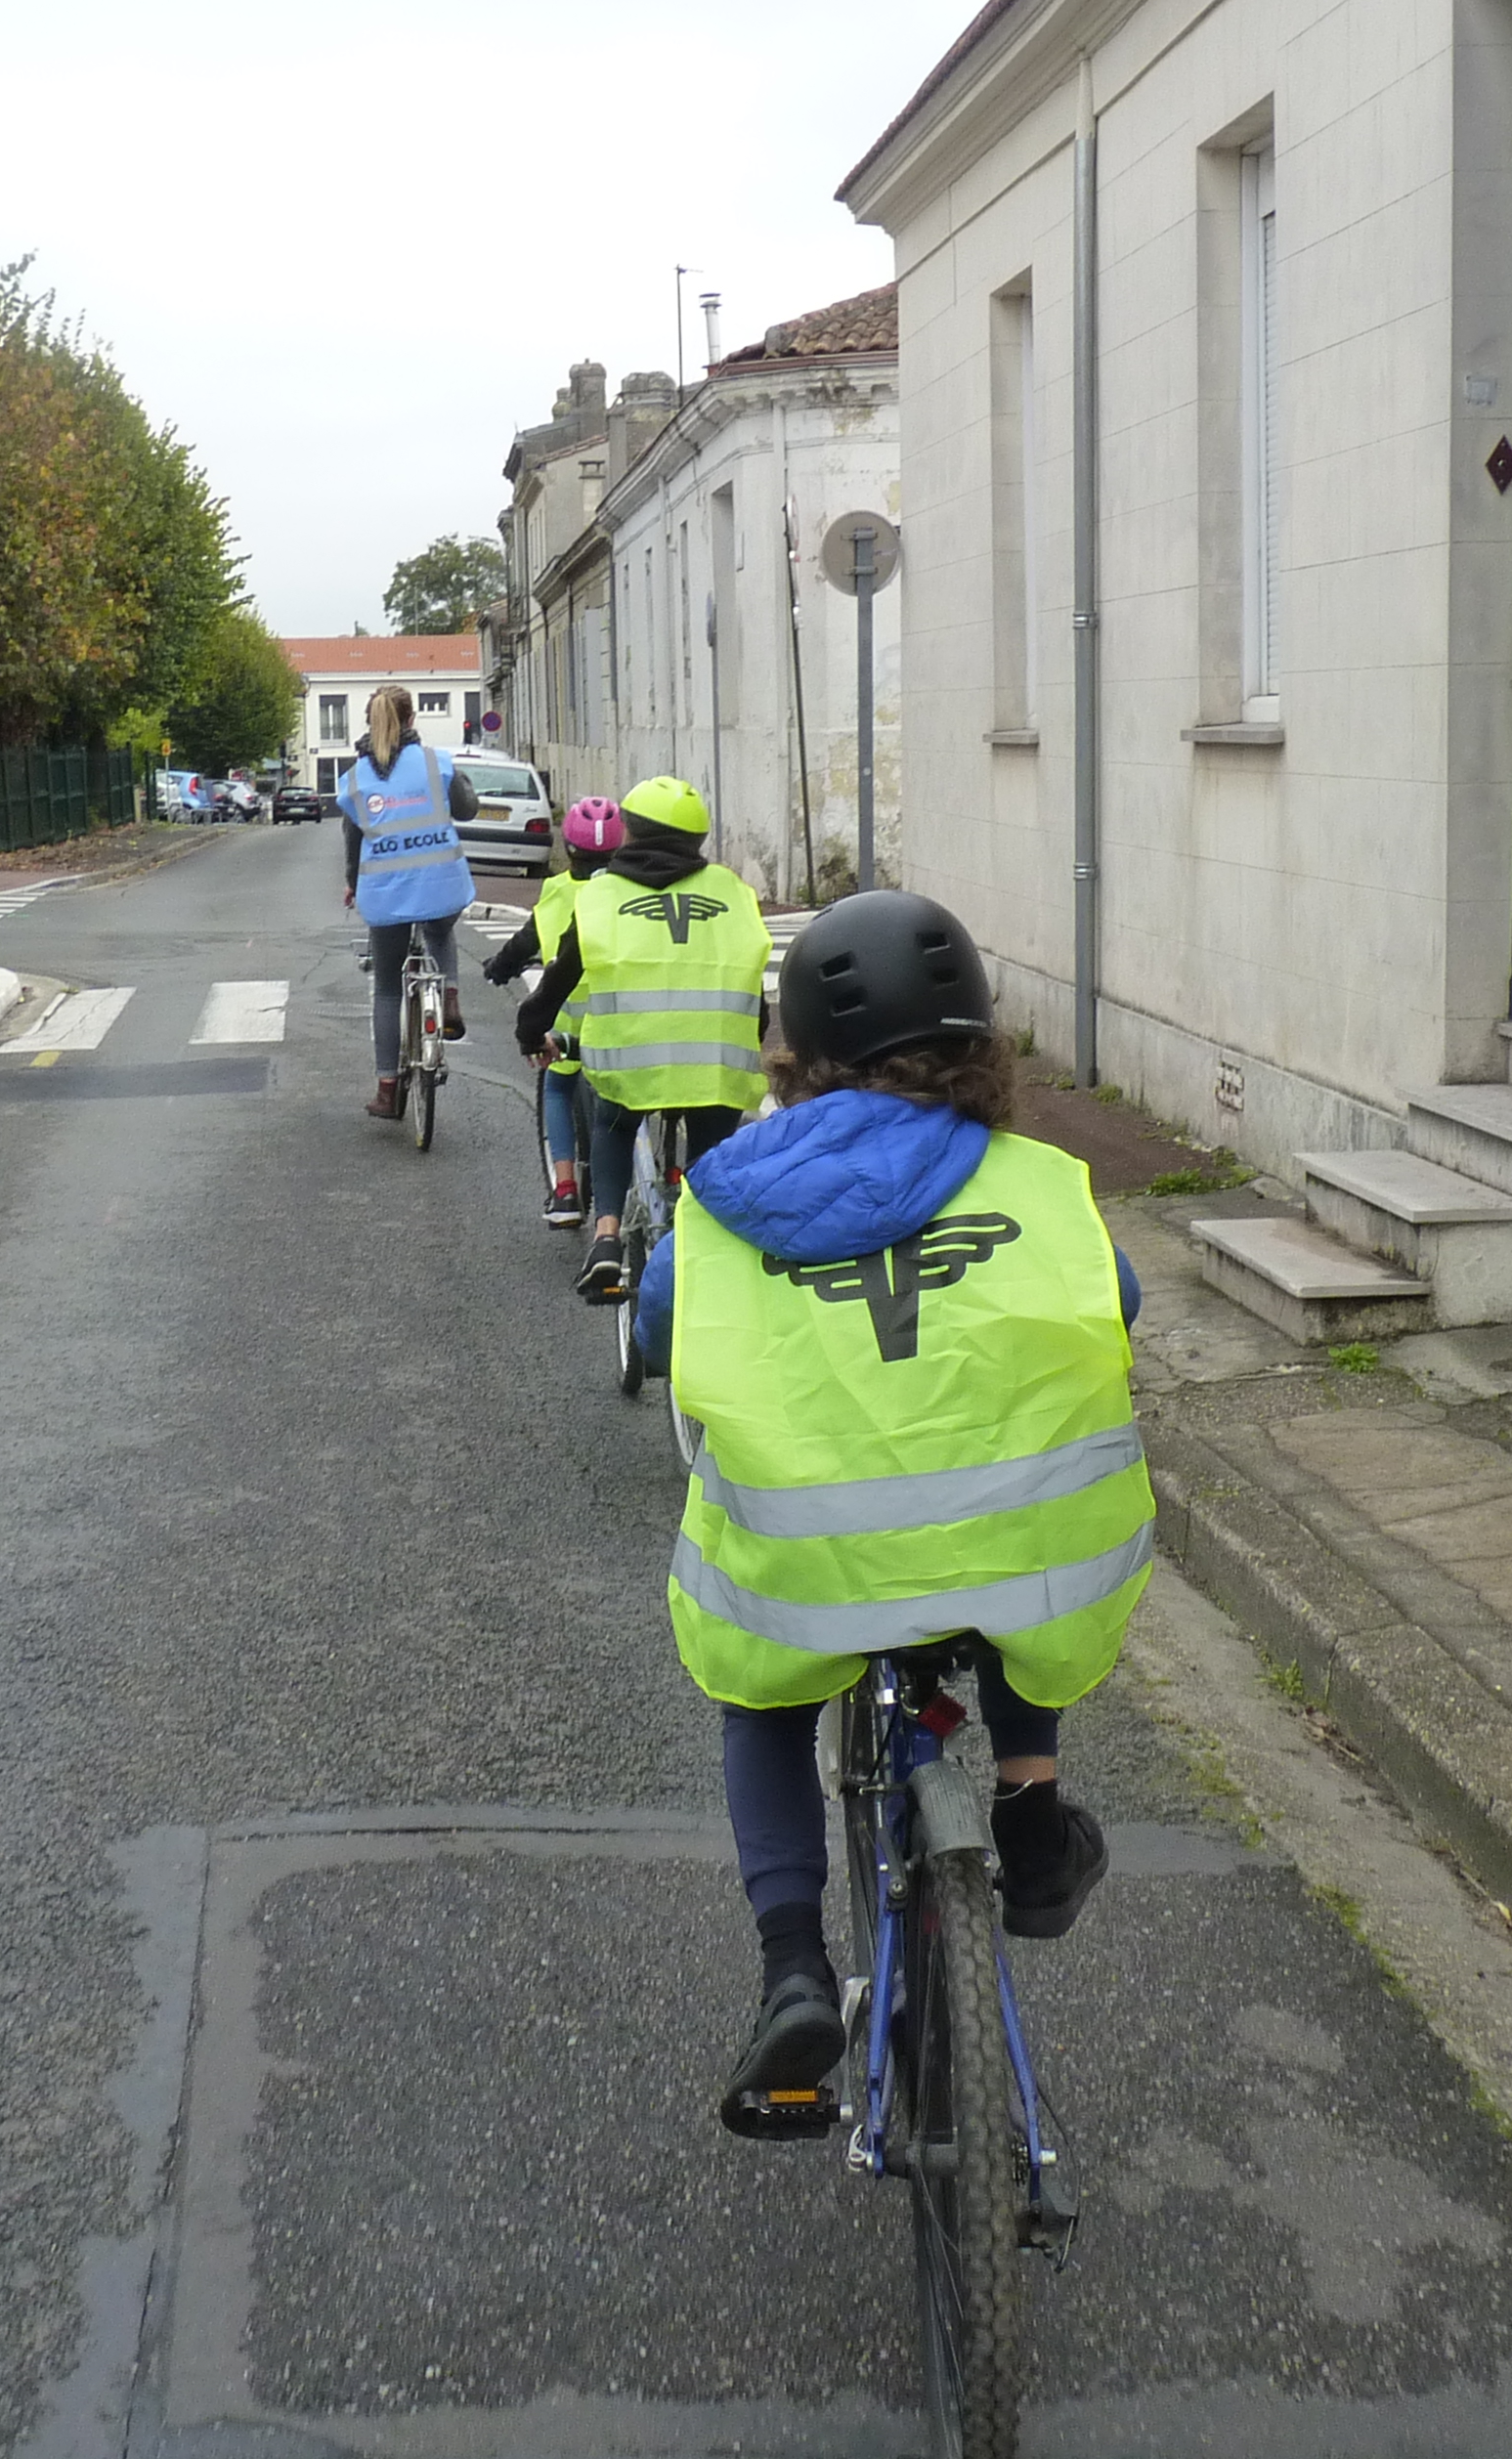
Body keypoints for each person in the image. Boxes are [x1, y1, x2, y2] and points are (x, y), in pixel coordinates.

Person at [631, 887, 1148, 2139]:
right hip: (1029, 1563)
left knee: (758, 1691)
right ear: (982, 1049)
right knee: (1020, 1553)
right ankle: (1026, 1804)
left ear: (794, 1061)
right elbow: (1117, 1302)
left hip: (809, 1576)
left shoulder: (722, 1201)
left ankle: (794, 1967)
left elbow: (657, 1330)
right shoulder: (1045, 1184)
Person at [511, 775, 767, 1300]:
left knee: (612, 1119)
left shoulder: (603, 894)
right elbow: (752, 988)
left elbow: (560, 977)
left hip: (631, 1064)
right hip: (717, 1064)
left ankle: (605, 1237)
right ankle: (709, 1247)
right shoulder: (733, 892)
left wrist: (531, 1030)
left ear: (633, 831)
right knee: (711, 1151)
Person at [482, 793, 625, 1228]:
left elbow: (526, 942)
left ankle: (564, 1190)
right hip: (619, 1022)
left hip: (564, 1026)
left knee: (556, 1091)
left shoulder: (557, 892)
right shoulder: (630, 891)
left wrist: (498, 969)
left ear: (569, 850)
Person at [336, 684, 479, 1119]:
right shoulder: (436, 763)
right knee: (439, 930)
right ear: (412, 719)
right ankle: (449, 998)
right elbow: (468, 809)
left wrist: (352, 884)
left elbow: (352, 843)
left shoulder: (357, 778)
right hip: (443, 884)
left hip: (386, 895)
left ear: (370, 722)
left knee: (386, 988)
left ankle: (387, 1090)